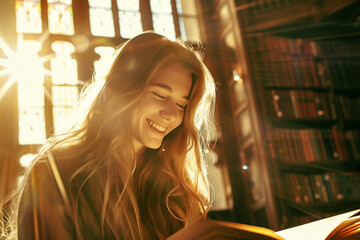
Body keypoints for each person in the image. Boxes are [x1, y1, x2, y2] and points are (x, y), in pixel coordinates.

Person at [1, 31, 216, 239]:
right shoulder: (56, 171)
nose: (171, 115)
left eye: (181, 105)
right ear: (122, 89)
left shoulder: (176, 191)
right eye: (159, 95)